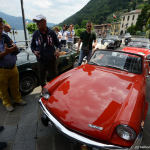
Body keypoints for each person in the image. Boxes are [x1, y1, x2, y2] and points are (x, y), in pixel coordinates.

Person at [0, 17, 26, 112]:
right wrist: (5, 53)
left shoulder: (6, 36)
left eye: (1, 28)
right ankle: (7, 103)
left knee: (15, 86)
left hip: (13, 67)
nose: (1, 31)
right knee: (3, 90)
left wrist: (15, 48)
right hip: (1, 70)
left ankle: (17, 99)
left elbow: (16, 50)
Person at [31, 14, 61, 90]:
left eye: (39, 21)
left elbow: (58, 44)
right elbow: (32, 45)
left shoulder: (52, 33)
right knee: (42, 78)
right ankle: (44, 91)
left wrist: (57, 49)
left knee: (54, 77)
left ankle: (53, 91)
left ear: (45, 22)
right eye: (36, 22)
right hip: (40, 60)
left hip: (51, 60)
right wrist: (34, 51)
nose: (37, 23)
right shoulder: (35, 34)